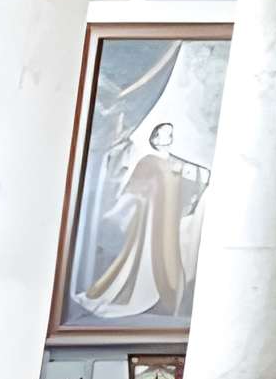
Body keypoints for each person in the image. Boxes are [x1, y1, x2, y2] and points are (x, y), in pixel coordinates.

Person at [76, 121, 209, 321]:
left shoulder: (174, 163)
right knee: (141, 259)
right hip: (148, 225)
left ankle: (166, 296)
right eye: (164, 133)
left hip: (167, 225)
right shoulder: (148, 161)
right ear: (155, 138)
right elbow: (135, 190)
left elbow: (184, 188)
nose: (168, 137)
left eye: (170, 133)